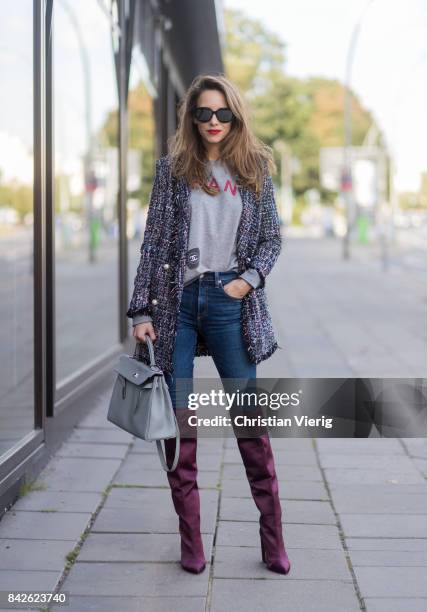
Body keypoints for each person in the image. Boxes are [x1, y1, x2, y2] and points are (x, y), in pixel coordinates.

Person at [126, 74, 291, 576]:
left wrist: (246, 282)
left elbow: (271, 240)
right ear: (191, 118)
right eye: (204, 113)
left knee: (250, 426)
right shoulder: (173, 170)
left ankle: (272, 541)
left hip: (229, 304)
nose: (214, 122)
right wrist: (141, 311)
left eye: (223, 113)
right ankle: (192, 542)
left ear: (235, 116)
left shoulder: (255, 167)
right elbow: (153, 243)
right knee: (179, 428)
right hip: (178, 304)